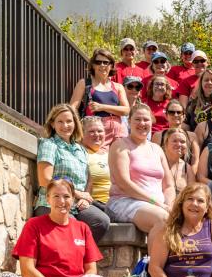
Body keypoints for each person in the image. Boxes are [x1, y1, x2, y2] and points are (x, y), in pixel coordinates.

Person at [12, 178, 102, 277]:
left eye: (66, 196)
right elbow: (27, 270)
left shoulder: (82, 228)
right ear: (47, 199)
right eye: (56, 196)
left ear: (73, 199)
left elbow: (91, 270)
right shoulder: (34, 225)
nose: (62, 201)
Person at [34, 104, 110, 243]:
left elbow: (88, 179)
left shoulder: (80, 149)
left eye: (69, 121)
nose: (65, 125)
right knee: (72, 228)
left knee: (100, 221)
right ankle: (73, 254)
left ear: (75, 123)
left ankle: (79, 254)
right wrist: (77, 194)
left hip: (76, 203)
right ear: (53, 124)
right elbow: (45, 179)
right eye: (60, 121)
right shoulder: (49, 145)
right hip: (52, 202)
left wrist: (85, 198)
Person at [107, 105, 175, 237]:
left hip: (158, 206)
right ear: (129, 121)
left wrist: (169, 205)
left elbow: (169, 185)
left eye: (146, 119)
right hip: (125, 201)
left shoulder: (157, 149)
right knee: (163, 219)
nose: (142, 123)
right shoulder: (120, 145)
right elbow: (124, 183)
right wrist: (156, 203)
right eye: (137, 119)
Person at [69, 47, 130, 146]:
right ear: (93, 65)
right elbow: (72, 108)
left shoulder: (118, 87)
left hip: (118, 132)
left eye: (106, 62)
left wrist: (102, 107)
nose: (102, 65)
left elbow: (126, 110)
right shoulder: (84, 83)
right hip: (95, 131)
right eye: (98, 62)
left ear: (111, 65)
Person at [81, 117, 111, 209]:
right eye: (91, 131)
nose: (97, 134)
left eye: (100, 131)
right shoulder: (80, 153)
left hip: (115, 202)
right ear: (82, 134)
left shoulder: (109, 154)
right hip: (95, 204)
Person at [162, 126, 197, 197]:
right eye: (175, 141)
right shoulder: (157, 163)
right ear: (166, 143)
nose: (179, 144)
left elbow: (191, 194)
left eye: (182, 142)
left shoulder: (187, 168)